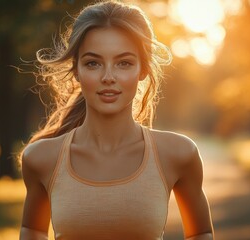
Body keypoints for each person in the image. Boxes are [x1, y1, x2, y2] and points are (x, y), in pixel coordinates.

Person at [19, 1, 214, 239]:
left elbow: (200, 233)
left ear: (142, 68)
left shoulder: (179, 154)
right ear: (76, 70)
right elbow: (33, 231)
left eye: (124, 63)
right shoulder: (41, 159)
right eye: (93, 63)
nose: (108, 77)